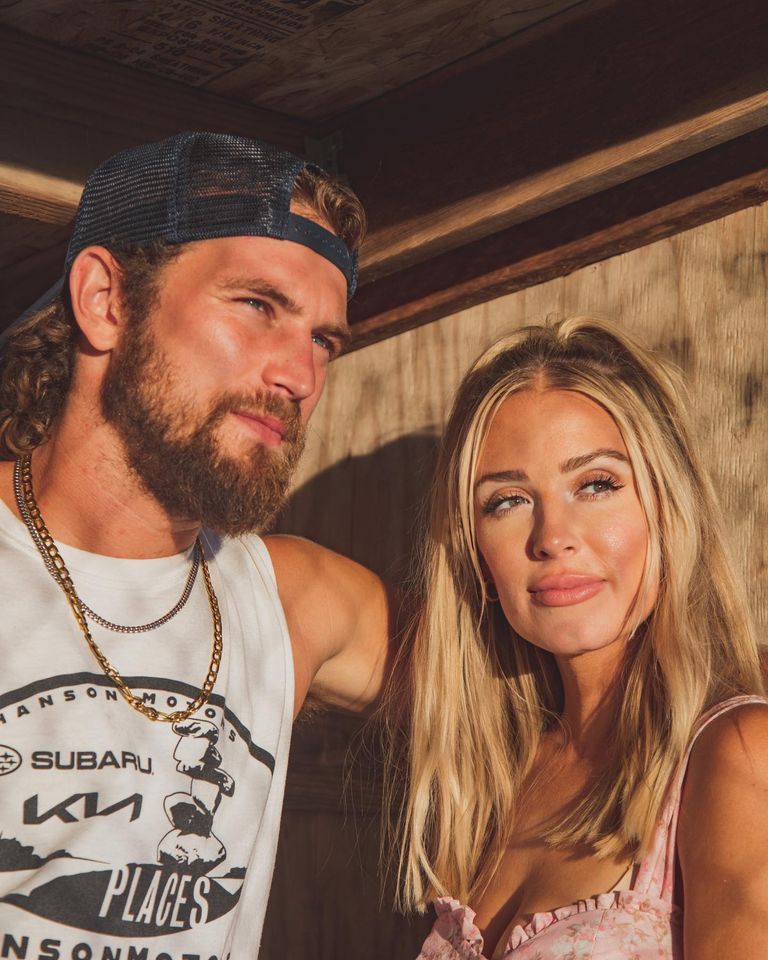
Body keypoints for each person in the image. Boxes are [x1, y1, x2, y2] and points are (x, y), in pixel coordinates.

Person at [0, 132, 393, 958]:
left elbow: (564, 690)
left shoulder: (292, 602)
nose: (300, 375)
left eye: (325, 339)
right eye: (258, 305)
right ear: (106, 301)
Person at [384, 317, 768, 959]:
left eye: (596, 484)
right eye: (505, 501)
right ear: (475, 553)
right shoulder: (497, 776)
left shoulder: (735, 752)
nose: (551, 536)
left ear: (666, 511)